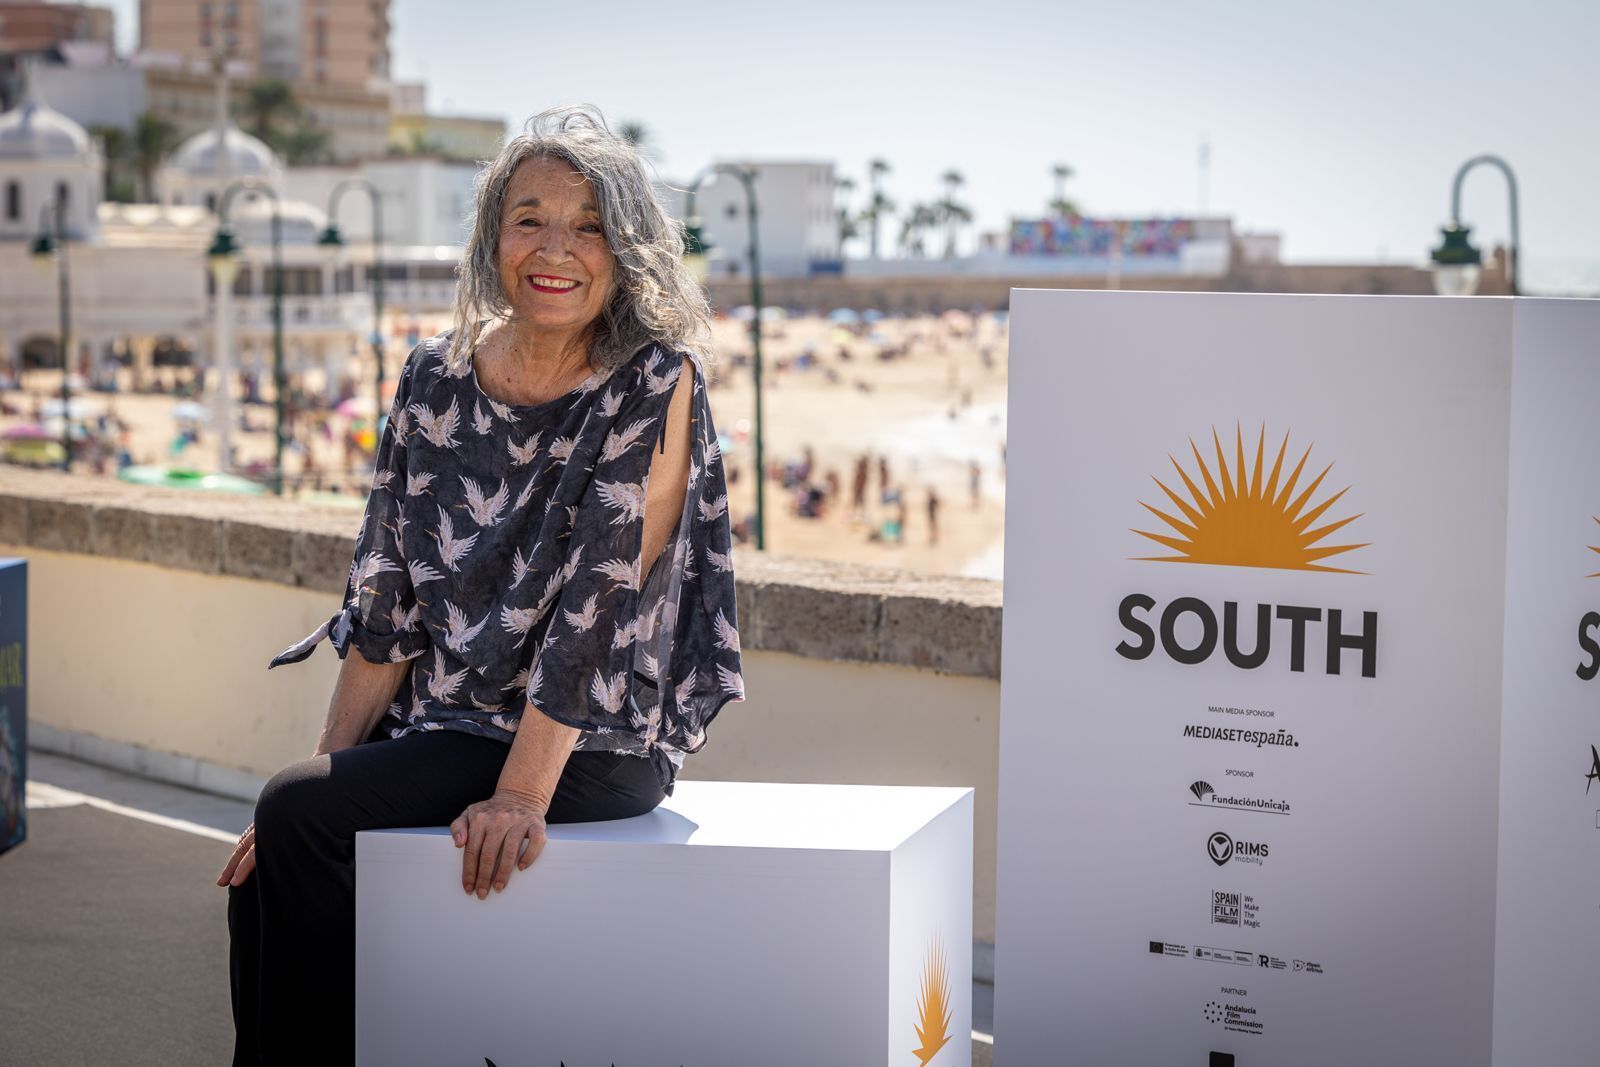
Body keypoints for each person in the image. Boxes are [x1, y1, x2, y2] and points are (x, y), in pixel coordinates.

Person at [220, 105, 745, 1065]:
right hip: (449, 719)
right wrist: (323, 768)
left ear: (626, 246)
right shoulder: (433, 377)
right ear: (492, 236)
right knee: (276, 846)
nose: (556, 248)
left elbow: (599, 609)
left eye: (588, 224)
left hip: (590, 741)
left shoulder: (653, 383)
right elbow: (384, 603)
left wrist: (520, 798)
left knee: (298, 816)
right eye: (529, 218)